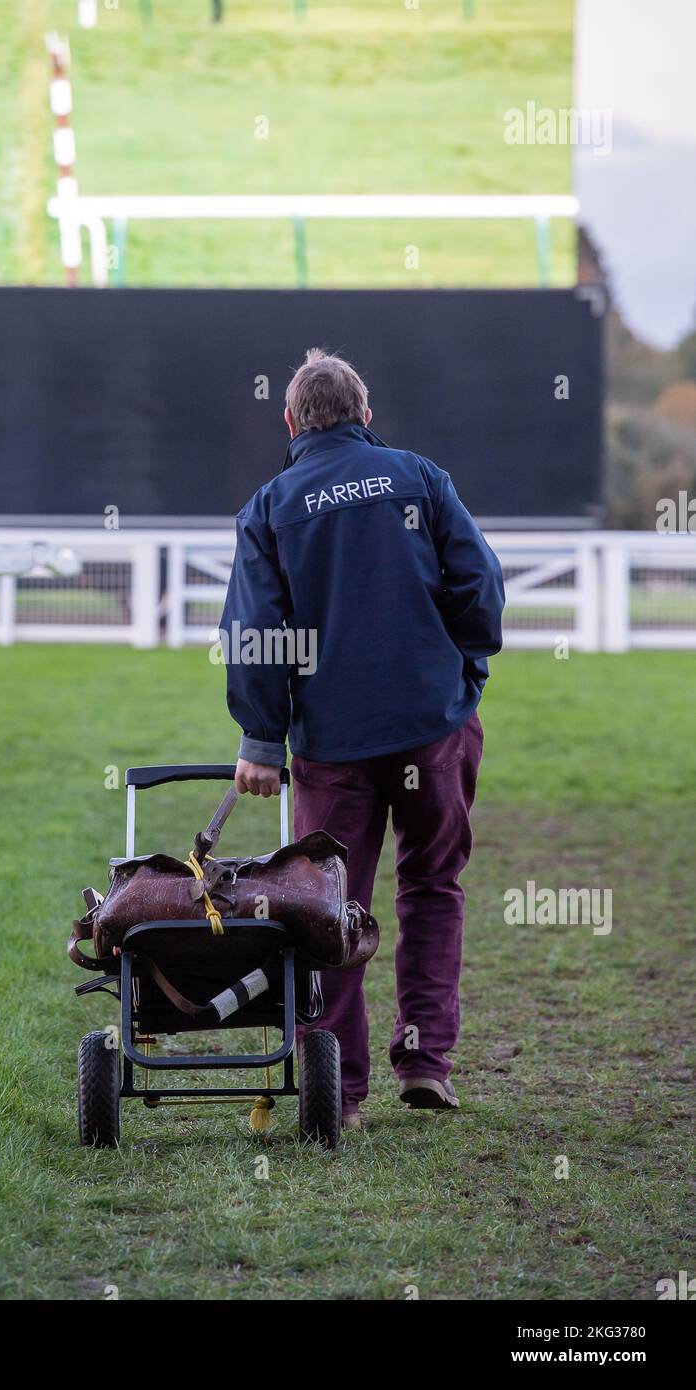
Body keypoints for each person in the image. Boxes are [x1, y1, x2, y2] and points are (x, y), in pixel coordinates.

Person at [219, 348, 505, 1129]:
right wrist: (465, 664)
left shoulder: (271, 506)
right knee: (434, 886)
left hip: (332, 743)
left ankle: (337, 1092)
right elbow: (479, 585)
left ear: (290, 422)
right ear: (365, 414)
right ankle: (426, 1061)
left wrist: (260, 737)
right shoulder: (420, 477)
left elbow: (254, 632)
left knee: (327, 907)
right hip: (433, 724)